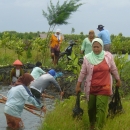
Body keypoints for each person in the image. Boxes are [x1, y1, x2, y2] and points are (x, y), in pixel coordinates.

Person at [76, 38, 121, 130]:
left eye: (98, 47)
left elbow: (113, 69)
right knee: (91, 109)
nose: (96, 49)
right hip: (91, 87)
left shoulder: (108, 56)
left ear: (102, 47)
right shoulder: (87, 58)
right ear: (92, 47)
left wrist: (118, 79)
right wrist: (78, 84)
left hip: (105, 87)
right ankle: (92, 125)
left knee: (101, 108)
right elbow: (83, 72)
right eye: (94, 47)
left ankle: (99, 127)